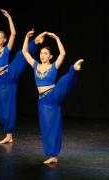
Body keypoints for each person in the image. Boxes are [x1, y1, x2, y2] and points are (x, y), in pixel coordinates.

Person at [0, 8, 44, 144]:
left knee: (19, 55)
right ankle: (9, 134)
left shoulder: (7, 48)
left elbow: (13, 33)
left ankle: (35, 42)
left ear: (4, 40)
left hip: (8, 73)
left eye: (0, 38)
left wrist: (9, 18)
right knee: (3, 107)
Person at [22, 29, 84, 164]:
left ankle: (74, 69)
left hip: (53, 95)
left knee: (62, 81)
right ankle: (52, 156)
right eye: (41, 53)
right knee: (47, 127)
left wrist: (57, 39)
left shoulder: (54, 66)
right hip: (43, 101)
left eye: (45, 53)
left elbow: (63, 53)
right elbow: (25, 52)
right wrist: (27, 38)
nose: (42, 55)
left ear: (50, 56)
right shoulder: (35, 65)